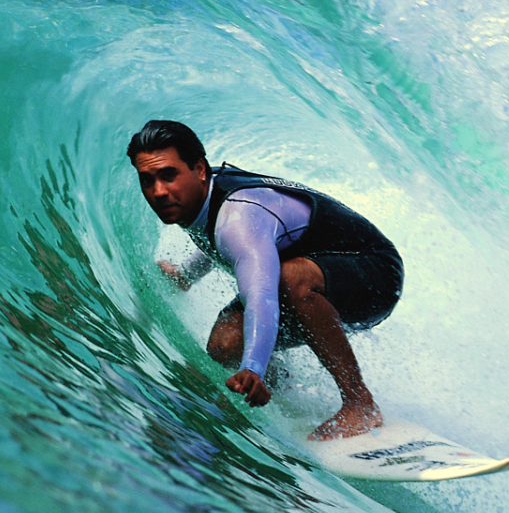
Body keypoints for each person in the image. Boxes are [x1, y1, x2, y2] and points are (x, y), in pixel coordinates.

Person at [127, 120, 404, 440]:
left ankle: (360, 403)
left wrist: (252, 368)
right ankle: (282, 386)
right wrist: (187, 275)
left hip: (375, 276)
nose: (159, 191)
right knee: (224, 344)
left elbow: (260, 295)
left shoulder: (238, 219)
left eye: (169, 175)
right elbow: (219, 237)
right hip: (319, 272)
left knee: (290, 280)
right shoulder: (204, 195)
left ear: (199, 169)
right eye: (147, 180)